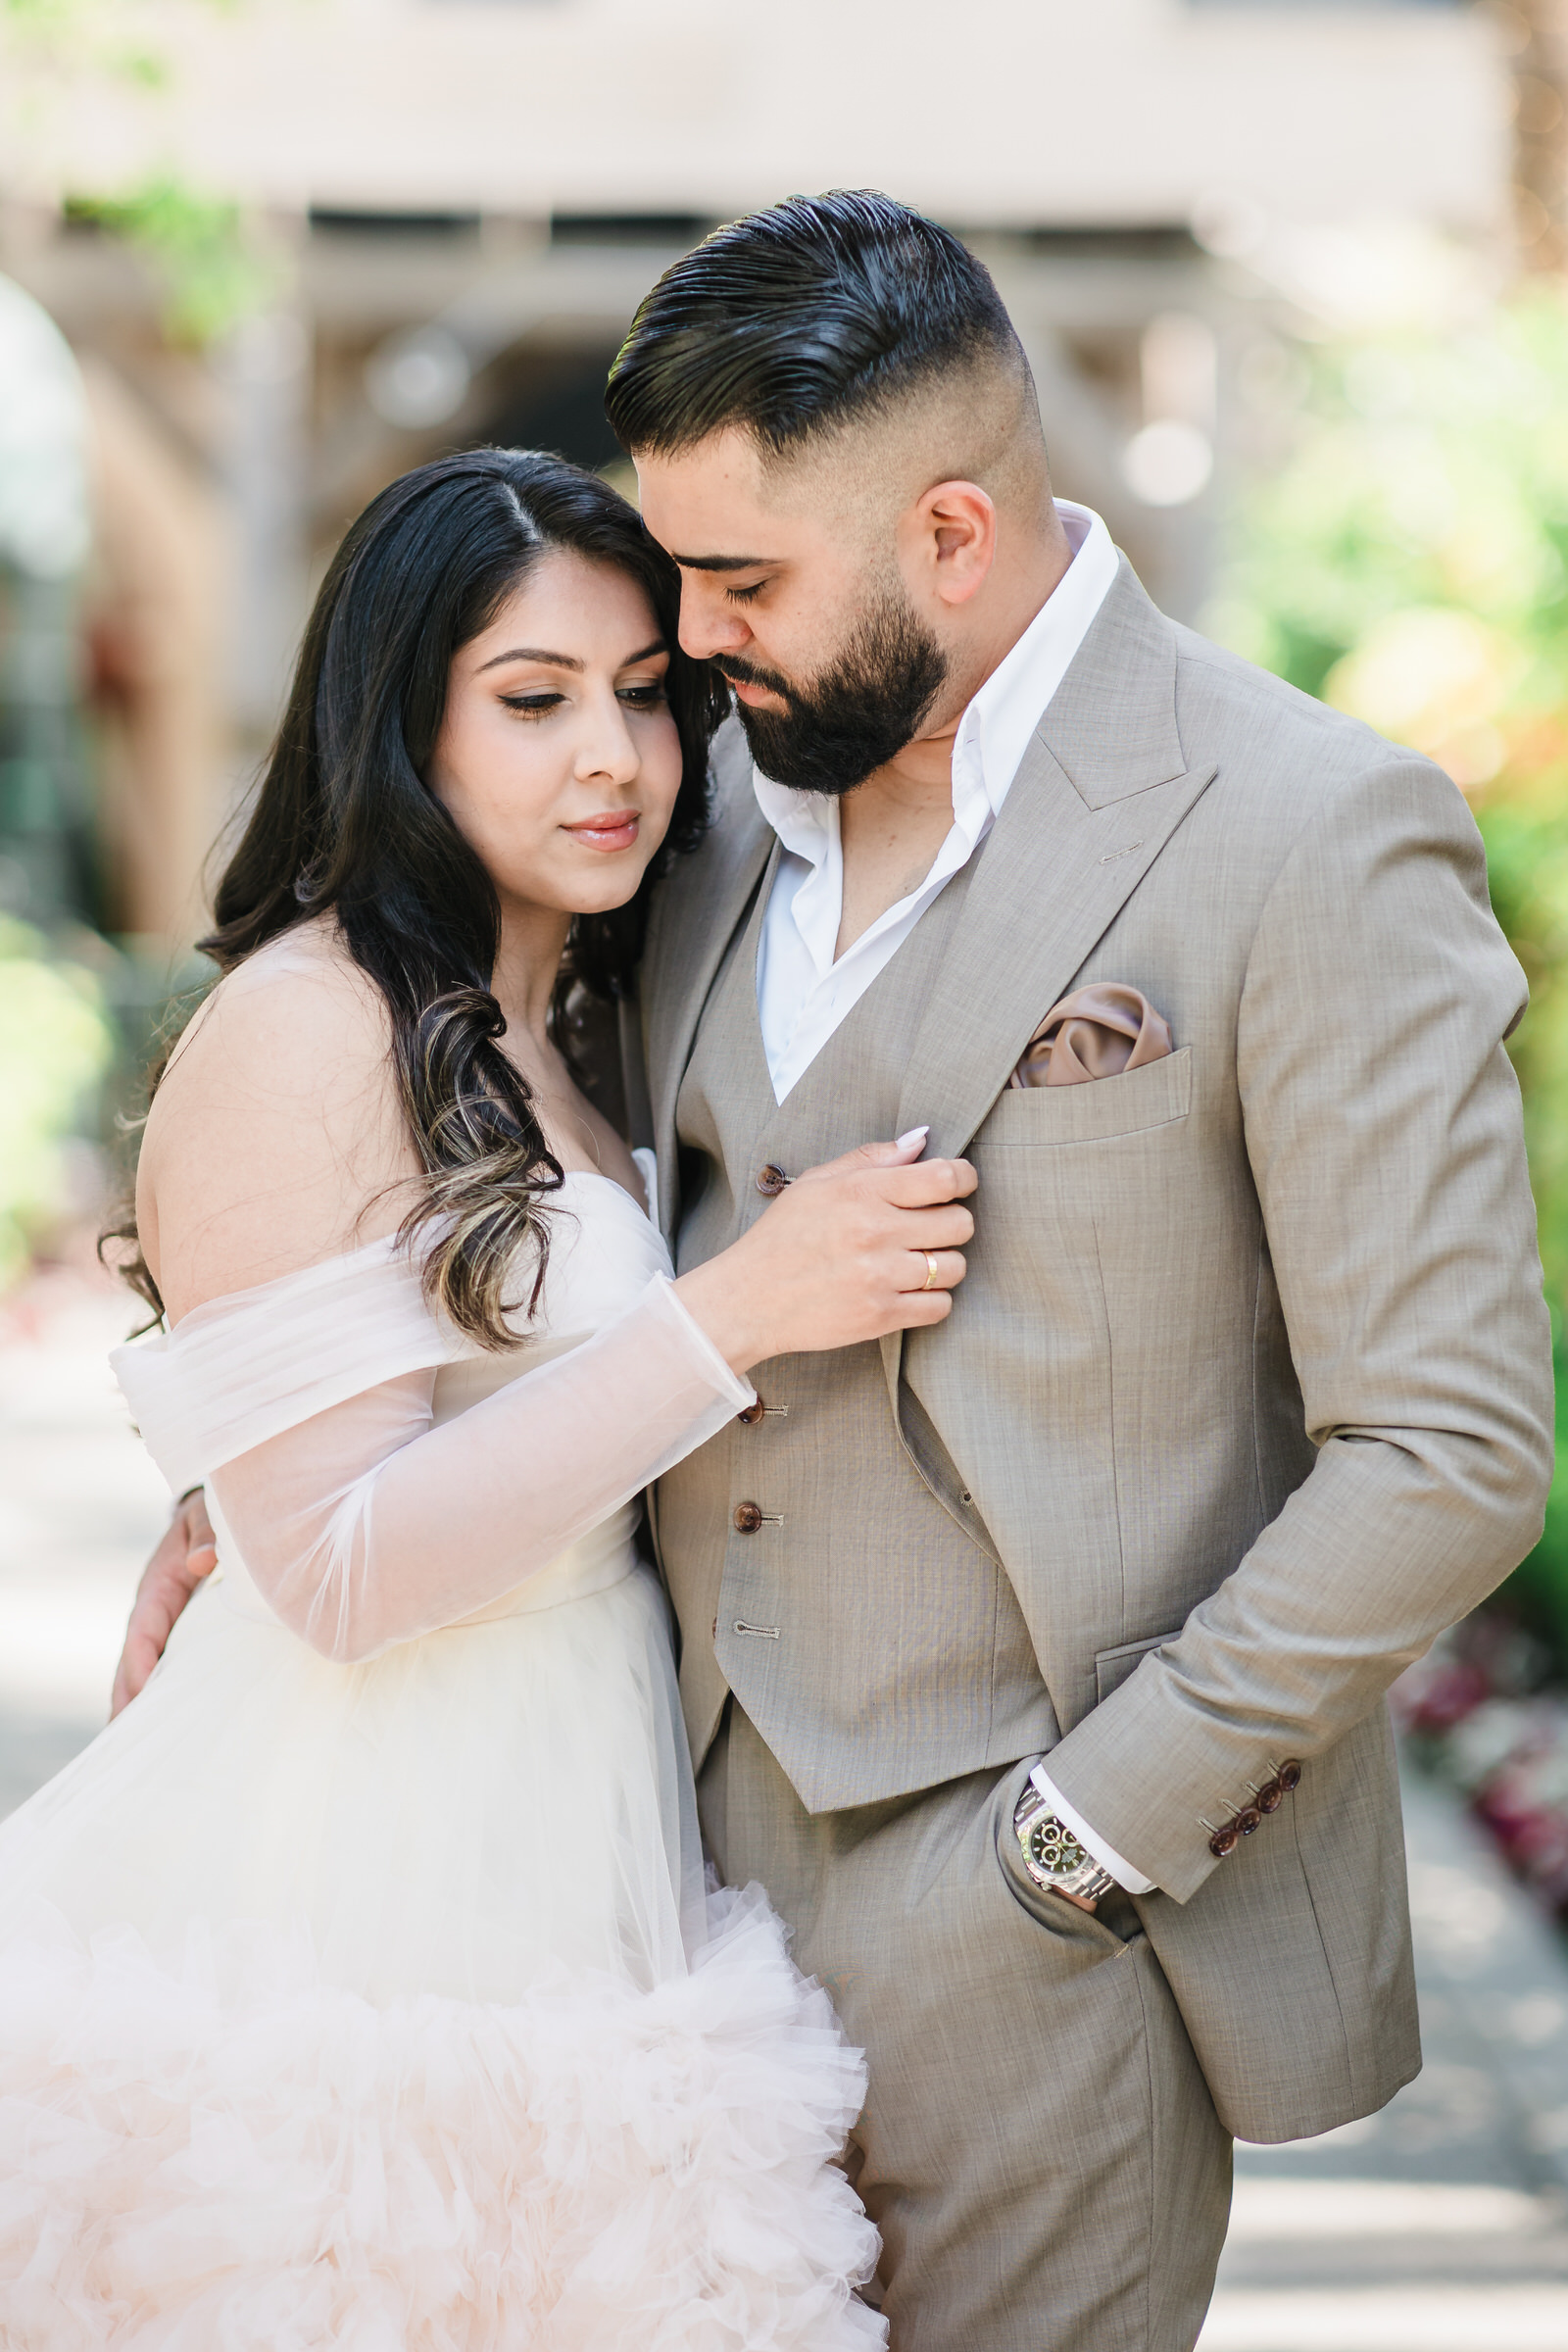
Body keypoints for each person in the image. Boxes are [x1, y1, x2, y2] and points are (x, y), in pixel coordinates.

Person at [120, 194, 1556, 2350]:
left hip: (1038, 1928)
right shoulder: (691, 816)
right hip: (624, 1901)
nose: (682, 645)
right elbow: (473, 1196)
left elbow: (1443, 1452)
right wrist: (264, 1458)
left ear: (951, 537)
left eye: (736, 583)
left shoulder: (1304, 832)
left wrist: (1081, 1845)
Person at [0, 447, 987, 2346]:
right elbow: (344, 1575)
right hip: (354, 1870)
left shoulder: (576, 1020)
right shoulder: (302, 1025)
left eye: (644, 695)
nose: (609, 758)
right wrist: (733, 1318)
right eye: (531, 703)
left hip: (578, 1825)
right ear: (403, 729)